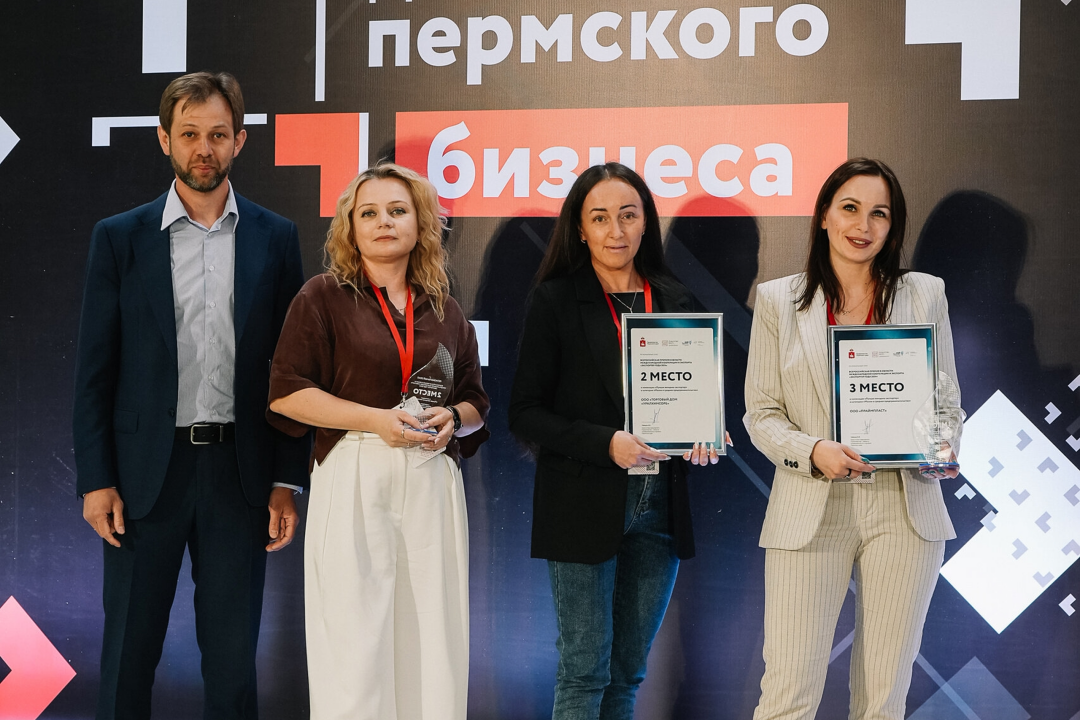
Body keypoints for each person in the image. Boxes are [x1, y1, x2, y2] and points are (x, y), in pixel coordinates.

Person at [73, 72, 309, 719]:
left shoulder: (275, 237)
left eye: (217, 135)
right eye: (189, 135)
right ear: (164, 139)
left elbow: (294, 375)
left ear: (240, 141)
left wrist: (286, 479)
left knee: (233, 667)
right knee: (127, 658)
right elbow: (94, 371)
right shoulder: (119, 238)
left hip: (241, 476)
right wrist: (96, 480)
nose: (203, 149)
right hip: (142, 478)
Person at [267, 162, 490, 720]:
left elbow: (475, 404)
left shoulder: (445, 309)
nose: (384, 222)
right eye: (368, 213)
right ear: (350, 227)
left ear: (421, 223)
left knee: (433, 641)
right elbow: (287, 394)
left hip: (432, 478)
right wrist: (373, 420)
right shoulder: (322, 297)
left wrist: (453, 418)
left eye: (397, 211)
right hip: (354, 469)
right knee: (354, 643)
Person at [743, 158, 961, 720]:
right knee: (788, 694)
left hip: (904, 506)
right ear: (823, 215)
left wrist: (940, 448)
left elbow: (945, 402)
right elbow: (761, 416)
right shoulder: (778, 301)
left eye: (879, 213)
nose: (863, 225)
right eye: (850, 208)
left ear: (893, 225)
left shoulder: (924, 294)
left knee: (883, 699)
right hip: (811, 505)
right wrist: (813, 451)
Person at [508, 162, 719, 720]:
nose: (616, 230)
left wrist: (705, 431)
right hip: (581, 502)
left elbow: (695, 397)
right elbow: (525, 413)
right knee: (585, 672)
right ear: (580, 229)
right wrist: (607, 444)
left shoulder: (675, 300)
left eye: (628, 215)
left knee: (627, 674)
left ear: (646, 221)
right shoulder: (555, 301)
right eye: (600, 218)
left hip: (660, 507)